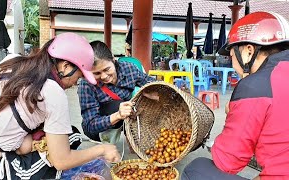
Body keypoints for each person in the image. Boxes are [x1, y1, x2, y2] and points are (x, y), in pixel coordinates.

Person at [0, 33, 120, 180]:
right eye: (79, 77)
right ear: (66, 66)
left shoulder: (13, 61)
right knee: (71, 138)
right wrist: (102, 149)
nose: (76, 83)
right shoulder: (52, 91)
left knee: (57, 137)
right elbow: (61, 161)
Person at [182, 11, 289, 180]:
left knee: (196, 168)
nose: (231, 63)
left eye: (231, 55)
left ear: (248, 51)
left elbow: (228, 162)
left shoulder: (256, 87)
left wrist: (235, 111)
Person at [78, 40, 157, 143]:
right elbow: (90, 126)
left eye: (107, 69)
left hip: (127, 116)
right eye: (97, 73)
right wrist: (118, 116)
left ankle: (130, 135)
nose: (104, 76)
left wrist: (152, 91)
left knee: (137, 104)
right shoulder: (86, 84)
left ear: (113, 60)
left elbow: (151, 83)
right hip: (100, 127)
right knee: (118, 105)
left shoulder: (128, 69)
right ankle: (110, 139)